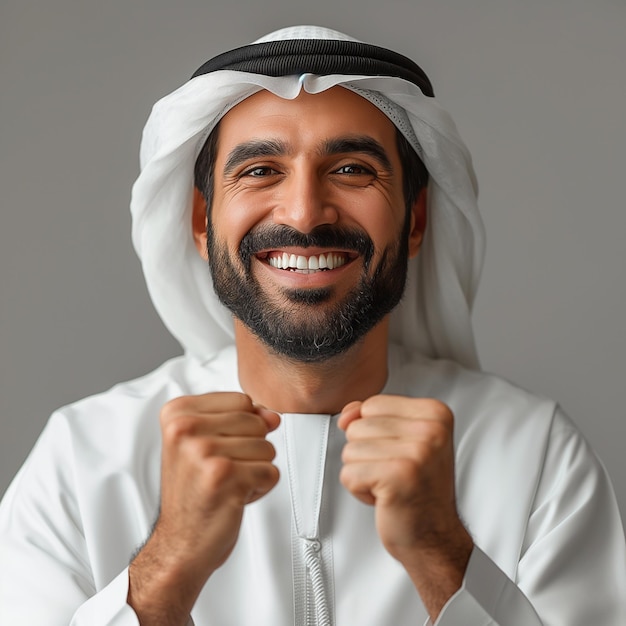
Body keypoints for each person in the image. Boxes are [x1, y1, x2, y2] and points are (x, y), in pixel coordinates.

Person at [0, 24, 624, 626]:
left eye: (352, 169)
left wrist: (443, 556)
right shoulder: (84, 457)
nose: (304, 213)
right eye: (259, 170)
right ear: (201, 221)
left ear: (414, 219)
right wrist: (164, 573)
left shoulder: (533, 451)